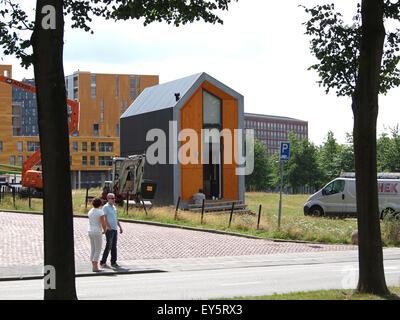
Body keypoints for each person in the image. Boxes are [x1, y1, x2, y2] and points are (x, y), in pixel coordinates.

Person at [100, 193, 123, 268]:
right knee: (108, 245)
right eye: (112, 198)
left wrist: (120, 226)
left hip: (115, 229)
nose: (114, 200)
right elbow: (104, 218)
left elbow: (116, 218)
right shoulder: (105, 207)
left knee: (114, 246)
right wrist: (108, 227)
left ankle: (113, 262)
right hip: (109, 229)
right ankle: (103, 262)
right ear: (108, 199)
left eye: (114, 198)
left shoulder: (114, 207)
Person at [88, 197, 110, 272]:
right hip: (97, 231)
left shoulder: (90, 211)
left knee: (93, 249)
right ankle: (95, 267)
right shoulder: (100, 212)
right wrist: (104, 230)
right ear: (100, 204)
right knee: (98, 249)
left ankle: (93, 265)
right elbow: (103, 223)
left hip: (90, 230)